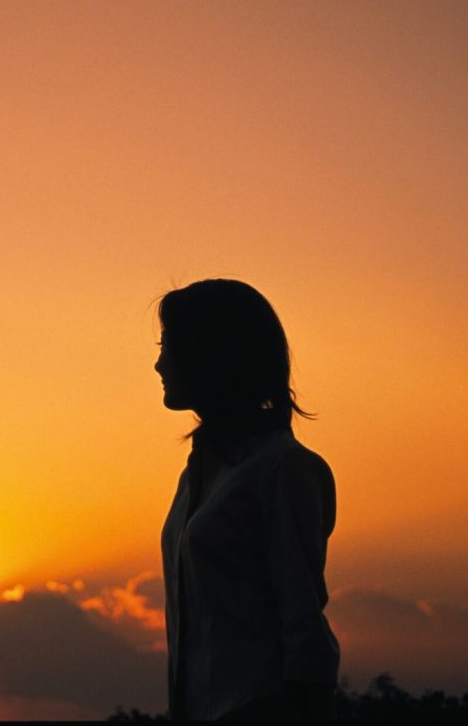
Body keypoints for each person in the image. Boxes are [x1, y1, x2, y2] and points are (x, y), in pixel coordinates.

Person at [155, 279, 338, 720]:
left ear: (208, 353)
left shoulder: (283, 469)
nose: (159, 364)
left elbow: (303, 623)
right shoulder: (195, 477)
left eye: (168, 347)